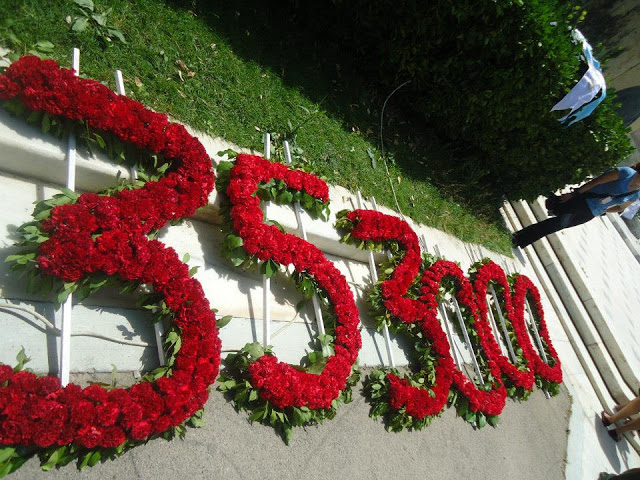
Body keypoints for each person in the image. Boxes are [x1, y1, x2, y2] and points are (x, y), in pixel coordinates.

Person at [512, 163, 640, 248]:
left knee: (557, 225)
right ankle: (519, 238)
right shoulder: (626, 173)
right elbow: (596, 181)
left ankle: (522, 239)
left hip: (591, 213)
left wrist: (604, 211)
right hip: (583, 200)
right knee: (559, 223)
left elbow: (620, 208)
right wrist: (574, 194)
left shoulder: (636, 194)